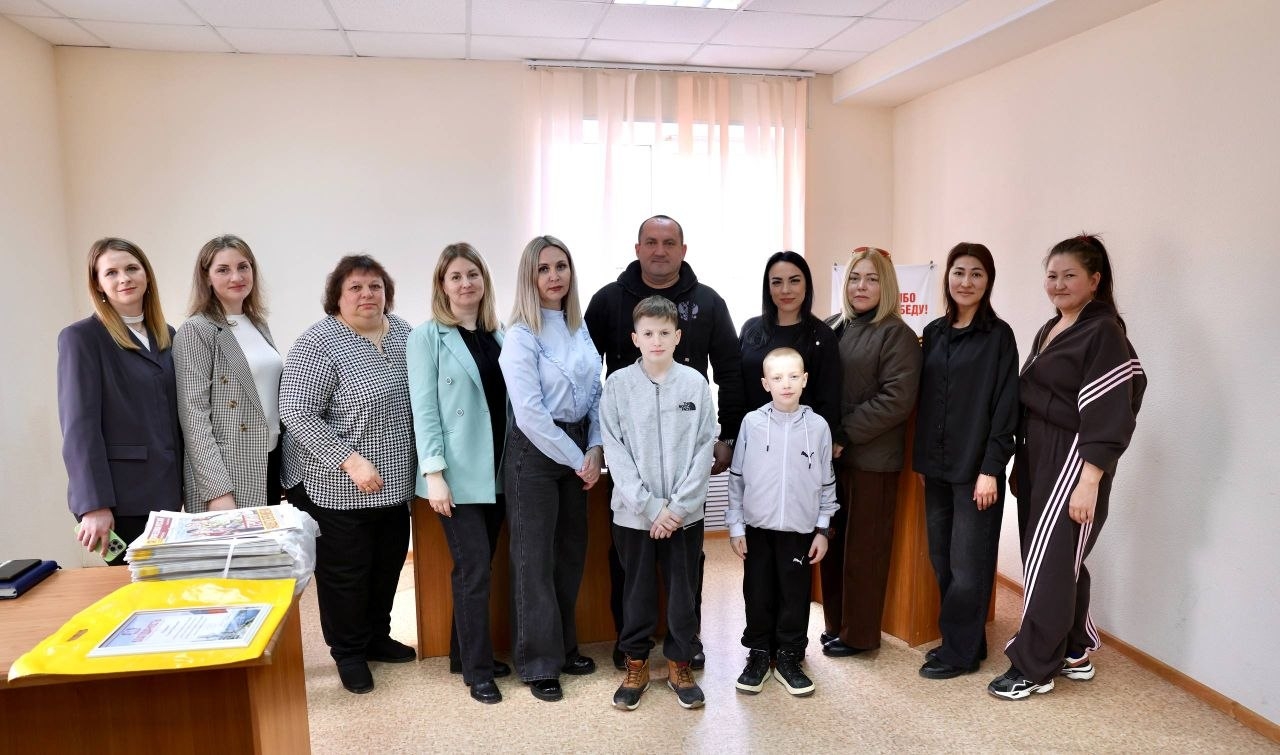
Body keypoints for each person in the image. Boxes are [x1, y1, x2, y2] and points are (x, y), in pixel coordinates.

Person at [988, 234, 1145, 700]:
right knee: (1058, 557)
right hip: (1039, 452)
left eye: (1069, 275)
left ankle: (1034, 667)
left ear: (1094, 280)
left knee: (1050, 562)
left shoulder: (1104, 333)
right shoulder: (1051, 328)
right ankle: (1074, 648)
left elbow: (1115, 408)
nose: (1057, 284)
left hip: (1073, 457)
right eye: (1052, 275)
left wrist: (1089, 479)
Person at [585, 214, 745, 669]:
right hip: (632, 472)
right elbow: (588, 373)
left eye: (669, 242)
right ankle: (630, 646)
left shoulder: (709, 302)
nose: (660, 250)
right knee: (629, 570)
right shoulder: (608, 301)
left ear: (683, 250)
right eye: (651, 242)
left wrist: (727, 436)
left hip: (685, 463)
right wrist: (595, 444)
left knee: (686, 571)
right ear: (637, 248)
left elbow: (730, 371)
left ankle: (685, 645)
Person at [279, 254, 417, 695]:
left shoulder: (405, 334)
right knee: (347, 575)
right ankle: (349, 652)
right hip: (336, 485)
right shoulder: (318, 343)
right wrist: (350, 460)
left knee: (387, 566)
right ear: (336, 297)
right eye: (355, 287)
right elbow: (296, 413)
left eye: (375, 286)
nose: (366, 294)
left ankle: (376, 637)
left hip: (394, 485)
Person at [499, 235, 603, 702]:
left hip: (579, 447)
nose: (554, 276)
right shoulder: (521, 336)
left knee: (569, 555)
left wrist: (595, 447)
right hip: (537, 454)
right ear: (529, 277)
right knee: (534, 561)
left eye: (561, 266)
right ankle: (539, 662)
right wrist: (578, 458)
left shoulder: (578, 326)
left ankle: (564, 649)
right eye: (543, 269)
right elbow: (530, 414)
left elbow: (596, 391)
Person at [407, 243, 511, 705]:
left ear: (484, 280)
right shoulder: (427, 337)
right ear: (442, 285)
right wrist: (433, 472)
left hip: (497, 471)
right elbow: (424, 409)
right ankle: (479, 672)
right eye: (455, 276)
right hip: (456, 475)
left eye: (473, 274)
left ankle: (461, 654)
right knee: (473, 571)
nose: (466, 283)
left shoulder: (499, 334)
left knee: (479, 567)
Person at [601, 296, 717, 712]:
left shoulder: (695, 384)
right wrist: (652, 509)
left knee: (683, 594)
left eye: (664, 332)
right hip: (634, 516)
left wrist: (677, 509)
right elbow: (615, 451)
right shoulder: (618, 385)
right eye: (648, 333)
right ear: (635, 338)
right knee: (636, 593)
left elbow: (704, 447)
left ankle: (680, 665)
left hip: (685, 517)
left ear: (677, 336)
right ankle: (636, 664)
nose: (656, 340)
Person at [913, 243, 1019, 679]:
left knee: (968, 565)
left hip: (977, 472)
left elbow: (1006, 407)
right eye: (959, 272)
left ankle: (960, 654)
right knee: (942, 559)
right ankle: (965, 642)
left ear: (988, 281)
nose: (966, 281)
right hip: (936, 467)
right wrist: (924, 461)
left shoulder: (999, 336)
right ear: (948, 277)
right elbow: (927, 401)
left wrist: (991, 468)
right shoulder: (934, 333)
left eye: (977, 273)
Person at [822, 247, 922, 657]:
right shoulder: (833, 326)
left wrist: (843, 434)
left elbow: (896, 399)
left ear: (887, 285)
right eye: (854, 278)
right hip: (830, 460)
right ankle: (836, 625)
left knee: (864, 553)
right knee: (832, 547)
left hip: (871, 461)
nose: (861, 286)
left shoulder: (896, 333)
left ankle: (860, 636)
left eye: (872, 279)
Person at [58, 238, 182, 562]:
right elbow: (79, 428)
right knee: (136, 590)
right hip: (121, 500)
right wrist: (94, 504)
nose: (124, 278)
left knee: (171, 588)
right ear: (98, 284)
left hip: (168, 495)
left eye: (131, 268)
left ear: (146, 275)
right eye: (111, 272)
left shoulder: (167, 335)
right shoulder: (82, 338)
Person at [726, 347, 838, 698]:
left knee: (794, 594)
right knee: (757, 591)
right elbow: (737, 478)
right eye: (777, 377)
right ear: (766, 384)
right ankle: (759, 653)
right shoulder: (752, 423)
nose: (785, 384)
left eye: (793, 376)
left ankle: (790, 655)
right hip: (757, 528)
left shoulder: (818, 427)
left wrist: (822, 529)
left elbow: (827, 482)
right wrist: (735, 526)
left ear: (804, 380)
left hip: (799, 531)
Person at [174, 235, 282, 513]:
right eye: (223, 270)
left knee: (269, 543)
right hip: (228, 470)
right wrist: (217, 491)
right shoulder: (197, 330)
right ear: (207, 277)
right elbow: (193, 416)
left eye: (243, 267)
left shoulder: (258, 323)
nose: (237, 277)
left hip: (268, 461)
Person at [738, 252, 841, 434]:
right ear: (768, 288)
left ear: (806, 285)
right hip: (753, 436)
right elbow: (736, 386)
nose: (785, 290)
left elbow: (830, 400)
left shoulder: (823, 336)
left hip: (802, 440)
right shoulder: (750, 329)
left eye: (794, 281)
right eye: (777, 282)